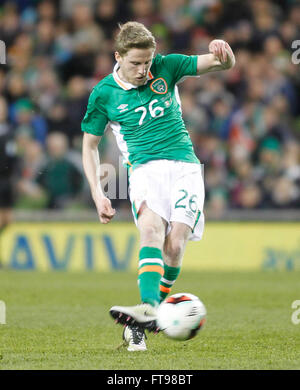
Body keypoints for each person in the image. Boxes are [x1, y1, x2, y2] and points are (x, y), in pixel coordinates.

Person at [81, 21, 235, 351]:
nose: (143, 70)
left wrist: (225, 51)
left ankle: (145, 320)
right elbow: (89, 146)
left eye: (147, 62)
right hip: (145, 172)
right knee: (150, 231)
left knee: (175, 245)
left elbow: (221, 63)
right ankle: (148, 309)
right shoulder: (104, 93)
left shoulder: (168, 66)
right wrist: (98, 192)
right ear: (118, 56)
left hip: (185, 168)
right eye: (135, 63)